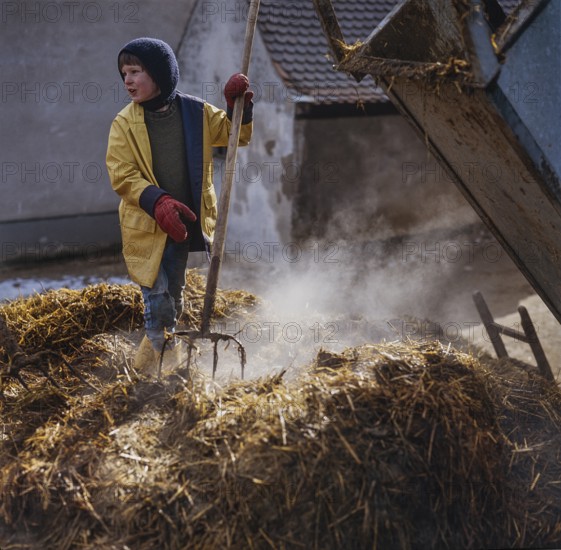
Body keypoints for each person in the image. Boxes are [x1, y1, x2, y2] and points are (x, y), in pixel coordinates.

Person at [106, 37, 253, 373]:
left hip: (183, 225)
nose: (127, 80)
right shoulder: (124, 123)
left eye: (135, 72)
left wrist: (237, 106)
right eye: (123, 73)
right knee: (156, 299)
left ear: (159, 73)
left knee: (173, 293)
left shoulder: (196, 112)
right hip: (147, 226)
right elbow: (121, 174)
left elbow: (235, 136)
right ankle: (150, 368)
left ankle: (168, 359)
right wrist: (157, 202)